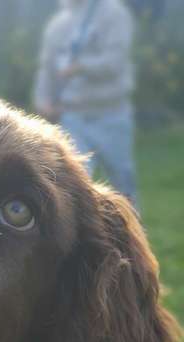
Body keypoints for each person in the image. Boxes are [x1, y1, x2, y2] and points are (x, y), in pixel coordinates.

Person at [33, 0, 137, 203]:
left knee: (122, 181)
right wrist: (43, 100)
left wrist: (81, 67)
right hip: (73, 116)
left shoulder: (114, 13)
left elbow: (114, 61)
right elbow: (47, 69)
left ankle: (133, 229)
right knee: (76, 182)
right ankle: (86, 232)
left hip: (110, 113)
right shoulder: (58, 25)